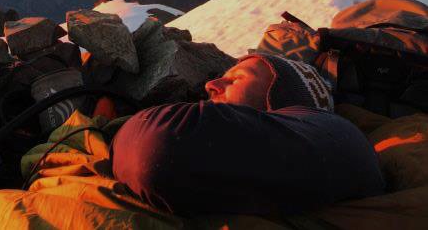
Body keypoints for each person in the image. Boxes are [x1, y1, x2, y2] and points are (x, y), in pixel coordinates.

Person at [111, 53, 385, 216]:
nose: (210, 84)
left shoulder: (336, 134)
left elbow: (154, 148)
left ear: (281, 96)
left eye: (237, 78)